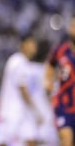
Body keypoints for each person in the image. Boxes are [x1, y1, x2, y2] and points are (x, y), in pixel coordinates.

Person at [0, 35, 45, 146]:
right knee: (3, 142)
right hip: (11, 110)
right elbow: (23, 89)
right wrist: (36, 110)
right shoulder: (17, 61)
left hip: (23, 112)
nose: (34, 47)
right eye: (31, 44)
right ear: (23, 45)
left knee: (31, 140)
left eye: (35, 44)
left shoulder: (26, 63)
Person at [44, 16, 75, 146]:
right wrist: (47, 82)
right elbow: (50, 64)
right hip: (64, 104)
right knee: (66, 140)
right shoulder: (60, 50)